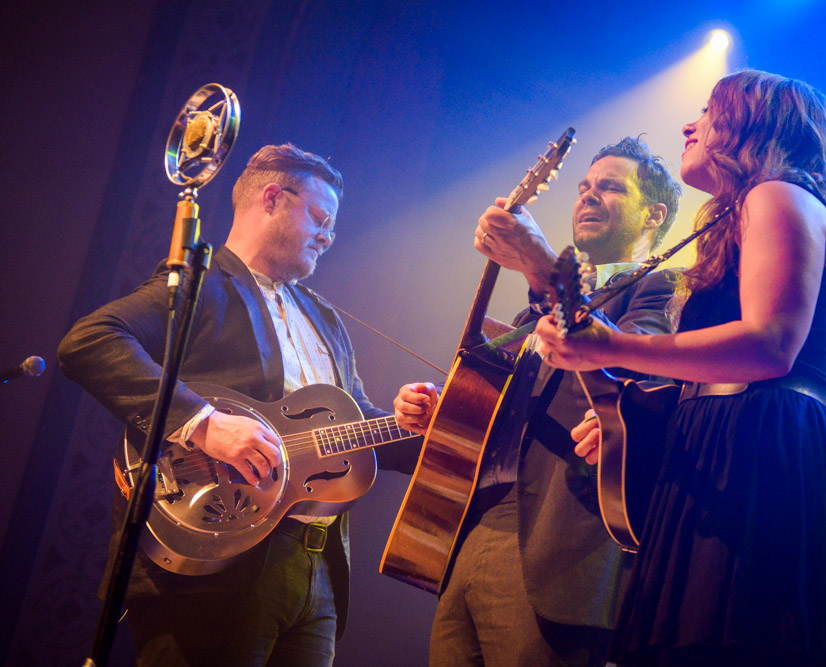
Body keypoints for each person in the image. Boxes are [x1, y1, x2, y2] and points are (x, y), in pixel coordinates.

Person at [534, 70, 826, 666]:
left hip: (760, 456)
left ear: (755, 126)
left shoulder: (777, 195)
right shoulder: (741, 213)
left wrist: (609, 346)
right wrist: (627, 412)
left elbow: (770, 345)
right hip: (725, 450)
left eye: (710, 113)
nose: (689, 126)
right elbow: (699, 374)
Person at [58, 144, 417, 666]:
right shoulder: (201, 283)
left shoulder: (327, 319)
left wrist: (411, 420)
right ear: (272, 198)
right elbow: (89, 341)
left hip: (317, 572)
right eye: (321, 217)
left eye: (333, 228)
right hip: (214, 561)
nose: (328, 236)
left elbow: (355, 424)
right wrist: (203, 424)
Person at [394, 137, 683, 666]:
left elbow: (625, 372)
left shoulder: (661, 288)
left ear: (653, 215)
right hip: (473, 526)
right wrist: (443, 406)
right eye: (584, 187)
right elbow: (505, 407)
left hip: (557, 540)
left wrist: (540, 269)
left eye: (611, 188)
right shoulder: (534, 313)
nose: (588, 198)